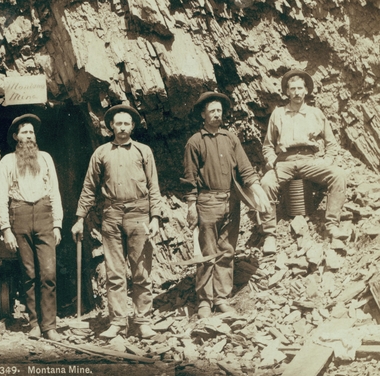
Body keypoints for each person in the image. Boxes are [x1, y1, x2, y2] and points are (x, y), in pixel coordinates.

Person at [72, 105, 163, 339]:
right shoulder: (101, 153)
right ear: (110, 125)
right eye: (118, 123)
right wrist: (80, 219)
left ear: (133, 126)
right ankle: (118, 322)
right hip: (111, 215)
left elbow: (154, 186)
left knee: (141, 271)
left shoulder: (144, 152)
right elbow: (89, 187)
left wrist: (155, 217)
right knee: (114, 272)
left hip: (139, 214)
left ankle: (143, 321)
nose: (122, 128)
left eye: (126, 124)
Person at [182, 91, 268, 318]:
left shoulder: (231, 138)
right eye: (212, 111)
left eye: (219, 110)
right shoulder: (194, 142)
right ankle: (204, 301)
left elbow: (245, 168)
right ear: (203, 114)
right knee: (207, 252)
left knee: (227, 251)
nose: (217, 114)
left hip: (231, 201)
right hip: (207, 202)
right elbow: (190, 178)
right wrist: (192, 205)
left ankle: (221, 298)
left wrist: (257, 189)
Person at [259, 69, 347, 253]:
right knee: (266, 183)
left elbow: (332, 144)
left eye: (300, 88)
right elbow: (268, 145)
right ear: (287, 92)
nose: (297, 92)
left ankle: (331, 226)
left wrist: (327, 161)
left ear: (306, 90)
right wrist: (273, 161)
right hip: (284, 162)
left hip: (310, 161)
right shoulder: (278, 114)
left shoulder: (316, 113)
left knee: (338, 175)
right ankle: (269, 236)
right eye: (293, 89)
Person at [0, 114, 64, 342]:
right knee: (29, 273)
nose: (29, 136)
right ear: (16, 137)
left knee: (48, 273)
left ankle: (50, 326)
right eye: (24, 132)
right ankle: (34, 324)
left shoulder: (45, 158)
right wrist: (6, 228)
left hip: (44, 214)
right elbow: (1, 195)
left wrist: (57, 223)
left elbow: (54, 190)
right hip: (20, 215)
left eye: (32, 132)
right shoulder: (7, 161)